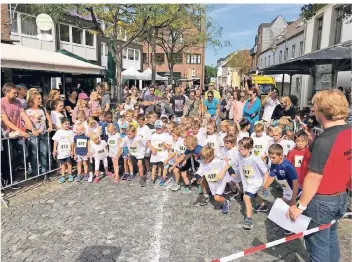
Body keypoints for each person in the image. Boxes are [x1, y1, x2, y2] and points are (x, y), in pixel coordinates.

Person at [287, 89, 351, 262]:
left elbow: (314, 177)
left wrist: (299, 206)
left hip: (321, 201)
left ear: (324, 109)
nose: (312, 109)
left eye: (315, 105)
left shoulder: (324, 141)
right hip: (339, 197)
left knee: (318, 246)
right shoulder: (349, 131)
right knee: (330, 238)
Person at [237, 137, 269, 230]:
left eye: (242, 149)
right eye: (239, 148)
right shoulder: (240, 156)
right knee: (253, 196)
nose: (240, 150)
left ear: (249, 149)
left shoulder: (255, 159)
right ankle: (263, 206)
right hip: (247, 182)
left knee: (246, 197)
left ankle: (249, 220)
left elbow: (265, 171)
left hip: (255, 182)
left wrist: (265, 183)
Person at [197, 146, 232, 214]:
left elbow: (228, 164)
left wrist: (223, 172)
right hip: (212, 182)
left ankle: (226, 202)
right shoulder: (203, 162)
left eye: (204, 158)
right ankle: (222, 198)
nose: (203, 160)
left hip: (220, 182)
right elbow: (200, 170)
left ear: (210, 157)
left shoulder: (218, 161)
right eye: (202, 158)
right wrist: (197, 177)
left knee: (217, 197)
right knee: (215, 195)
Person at [26, 91, 53, 178]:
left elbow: (48, 119)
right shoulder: (28, 111)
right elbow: (26, 123)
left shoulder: (42, 109)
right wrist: (33, 130)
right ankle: (35, 173)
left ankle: (44, 172)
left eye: (40, 98)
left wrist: (50, 126)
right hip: (33, 135)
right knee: (34, 154)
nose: (40, 100)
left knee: (44, 153)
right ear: (32, 100)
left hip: (44, 134)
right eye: (38, 98)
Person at [52, 117, 74, 183]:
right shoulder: (58, 132)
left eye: (68, 124)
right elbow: (55, 141)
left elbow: (72, 143)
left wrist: (72, 151)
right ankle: (63, 176)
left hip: (68, 151)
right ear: (62, 124)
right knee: (63, 164)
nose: (67, 125)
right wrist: (54, 150)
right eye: (65, 124)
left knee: (69, 164)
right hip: (61, 151)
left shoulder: (70, 132)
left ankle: (70, 175)